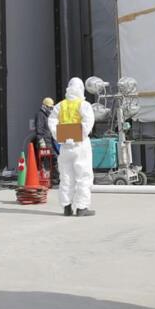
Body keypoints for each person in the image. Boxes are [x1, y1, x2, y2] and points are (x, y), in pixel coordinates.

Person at [48, 78, 96, 217]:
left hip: (64, 147)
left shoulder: (60, 106)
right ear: (81, 89)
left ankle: (66, 207)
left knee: (66, 176)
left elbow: (51, 121)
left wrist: (60, 135)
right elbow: (88, 122)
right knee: (83, 176)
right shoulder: (84, 105)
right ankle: (82, 207)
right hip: (80, 146)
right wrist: (78, 135)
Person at [33, 97, 56, 179]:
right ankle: (49, 178)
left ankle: (49, 178)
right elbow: (39, 129)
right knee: (52, 159)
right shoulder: (40, 115)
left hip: (49, 141)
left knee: (49, 160)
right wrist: (41, 142)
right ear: (44, 106)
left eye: (51, 107)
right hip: (44, 142)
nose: (50, 109)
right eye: (49, 107)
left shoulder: (47, 116)